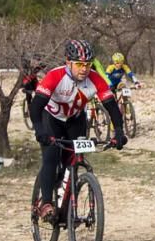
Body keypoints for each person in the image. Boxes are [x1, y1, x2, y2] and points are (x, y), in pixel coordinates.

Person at [29, 40, 127, 220]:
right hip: (52, 119)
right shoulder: (55, 76)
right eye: (80, 64)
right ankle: (46, 203)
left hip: (76, 120)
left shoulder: (95, 79)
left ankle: (66, 202)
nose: (84, 69)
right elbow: (36, 106)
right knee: (51, 157)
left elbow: (111, 106)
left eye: (88, 65)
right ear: (68, 62)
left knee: (73, 161)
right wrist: (39, 130)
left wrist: (119, 132)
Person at [20, 53, 47, 121]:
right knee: (28, 96)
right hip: (29, 85)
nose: (36, 62)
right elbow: (24, 79)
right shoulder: (27, 68)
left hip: (37, 85)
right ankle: (29, 111)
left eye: (38, 61)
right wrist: (24, 86)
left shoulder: (41, 67)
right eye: (35, 61)